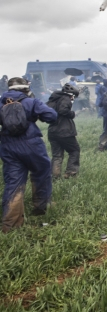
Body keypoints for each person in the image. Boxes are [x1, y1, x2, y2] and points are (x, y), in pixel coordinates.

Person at [0, 77, 57, 233]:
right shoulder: (31, 101)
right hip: (31, 144)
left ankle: (10, 223)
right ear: (25, 88)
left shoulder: (2, 102)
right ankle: (40, 206)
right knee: (42, 171)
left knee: (13, 181)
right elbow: (51, 116)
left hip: (8, 145)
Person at [46, 83, 81, 179]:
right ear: (71, 95)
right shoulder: (66, 98)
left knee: (57, 155)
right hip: (64, 131)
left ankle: (54, 176)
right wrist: (72, 114)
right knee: (74, 150)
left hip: (52, 131)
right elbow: (63, 110)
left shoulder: (54, 100)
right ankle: (71, 173)